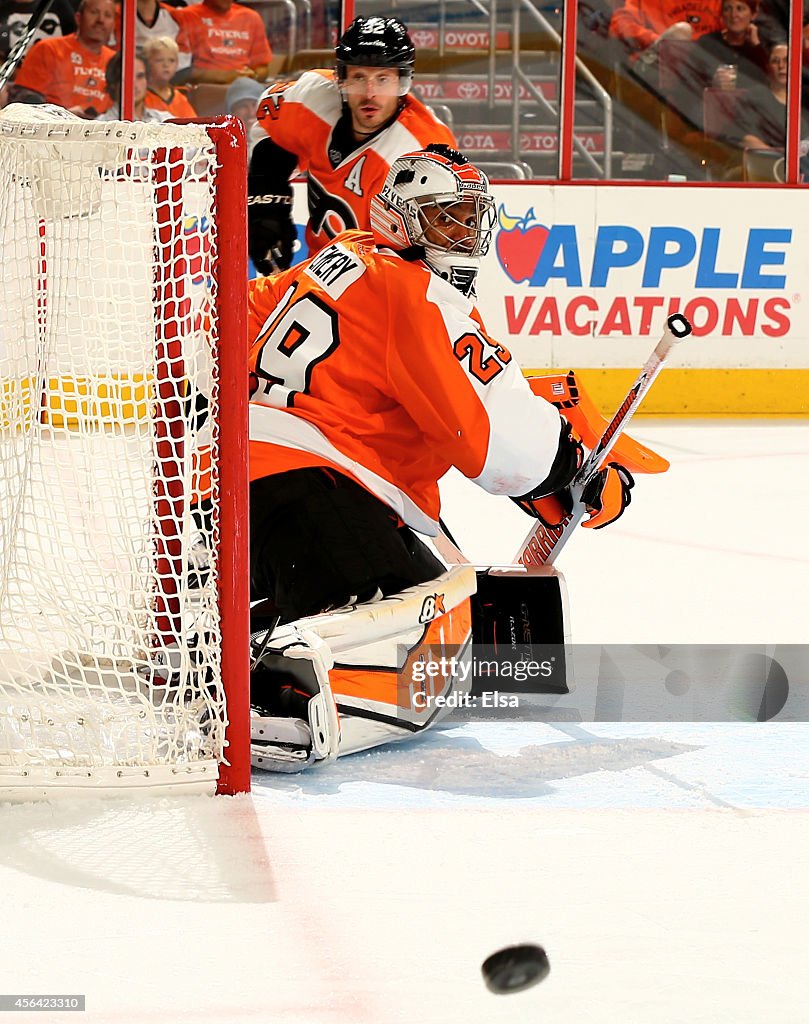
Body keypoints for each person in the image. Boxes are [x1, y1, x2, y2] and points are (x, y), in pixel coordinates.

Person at [247, 144, 634, 625]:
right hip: (313, 490)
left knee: (447, 615)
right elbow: (489, 429)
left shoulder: (341, 256)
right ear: (398, 219)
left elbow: (245, 308)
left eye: (470, 222)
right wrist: (572, 466)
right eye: (445, 221)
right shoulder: (415, 293)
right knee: (420, 647)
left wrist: (536, 477)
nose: (462, 238)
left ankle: (255, 635)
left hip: (234, 486)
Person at [246, 15, 456, 275]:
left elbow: (437, 256)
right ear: (341, 79)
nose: (370, 93)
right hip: (316, 279)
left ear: (403, 82)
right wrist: (267, 200)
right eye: (358, 77)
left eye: (383, 79)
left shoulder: (421, 153)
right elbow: (270, 131)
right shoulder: (312, 98)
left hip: (390, 289)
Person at [666, 0, 768, 130]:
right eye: (728, 9)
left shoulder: (759, 48)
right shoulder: (707, 43)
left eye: (740, 9)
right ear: (722, 14)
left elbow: (768, 89)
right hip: (708, 112)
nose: (733, 15)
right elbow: (685, 86)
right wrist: (712, 85)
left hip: (748, 116)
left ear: (753, 14)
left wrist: (756, 46)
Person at [13, 0, 116, 116]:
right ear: (78, 18)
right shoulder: (48, 49)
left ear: (113, 24)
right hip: (54, 128)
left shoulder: (117, 62)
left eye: (107, 15)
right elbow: (25, 100)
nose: (100, 20)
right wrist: (64, 115)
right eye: (94, 12)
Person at [171, 0, 272, 86]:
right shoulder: (185, 16)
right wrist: (224, 76)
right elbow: (180, 72)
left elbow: (262, 67)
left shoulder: (251, 17)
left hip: (244, 90)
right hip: (203, 90)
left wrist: (253, 76)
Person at [609, 0, 722, 72]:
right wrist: (658, 41)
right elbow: (619, 24)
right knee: (681, 31)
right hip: (659, 72)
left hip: (706, 73)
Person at [97, 50, 171, 121]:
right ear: (114, 83)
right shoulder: (100, 126)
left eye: (140, 76)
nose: (134, 85)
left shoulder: (164, 121)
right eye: (127, 78)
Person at [142, 35, 197, 117]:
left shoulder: (181, 99)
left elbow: (194, 125)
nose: (166, 65)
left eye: (171, 60)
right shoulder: (140, 96)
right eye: (159, 60)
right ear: (147, 63)